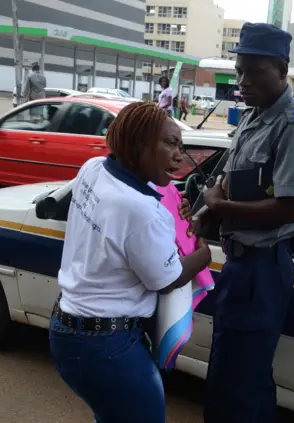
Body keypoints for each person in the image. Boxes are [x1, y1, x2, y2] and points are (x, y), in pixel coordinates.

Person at [190, 22, 294, 423]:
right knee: (230, 371)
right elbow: (230, 178)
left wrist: (222, 207)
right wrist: (202, 211)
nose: (242, 81)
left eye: (254, 71)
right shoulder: (254, 117)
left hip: (263, 268)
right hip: (240, 265)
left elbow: (291, 209)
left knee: (241, 380)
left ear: (282, 70)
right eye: (239, 71)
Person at [48, 102, 212, 423]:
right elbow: (166, 280)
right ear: (140, 145)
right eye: (171, 144)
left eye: (181, 145)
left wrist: (177, 210)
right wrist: (203, 251)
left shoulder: (93, 168)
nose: (180, 155)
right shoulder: (143, 212)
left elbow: (139, 196)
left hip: (67, 331)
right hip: (108, 347)